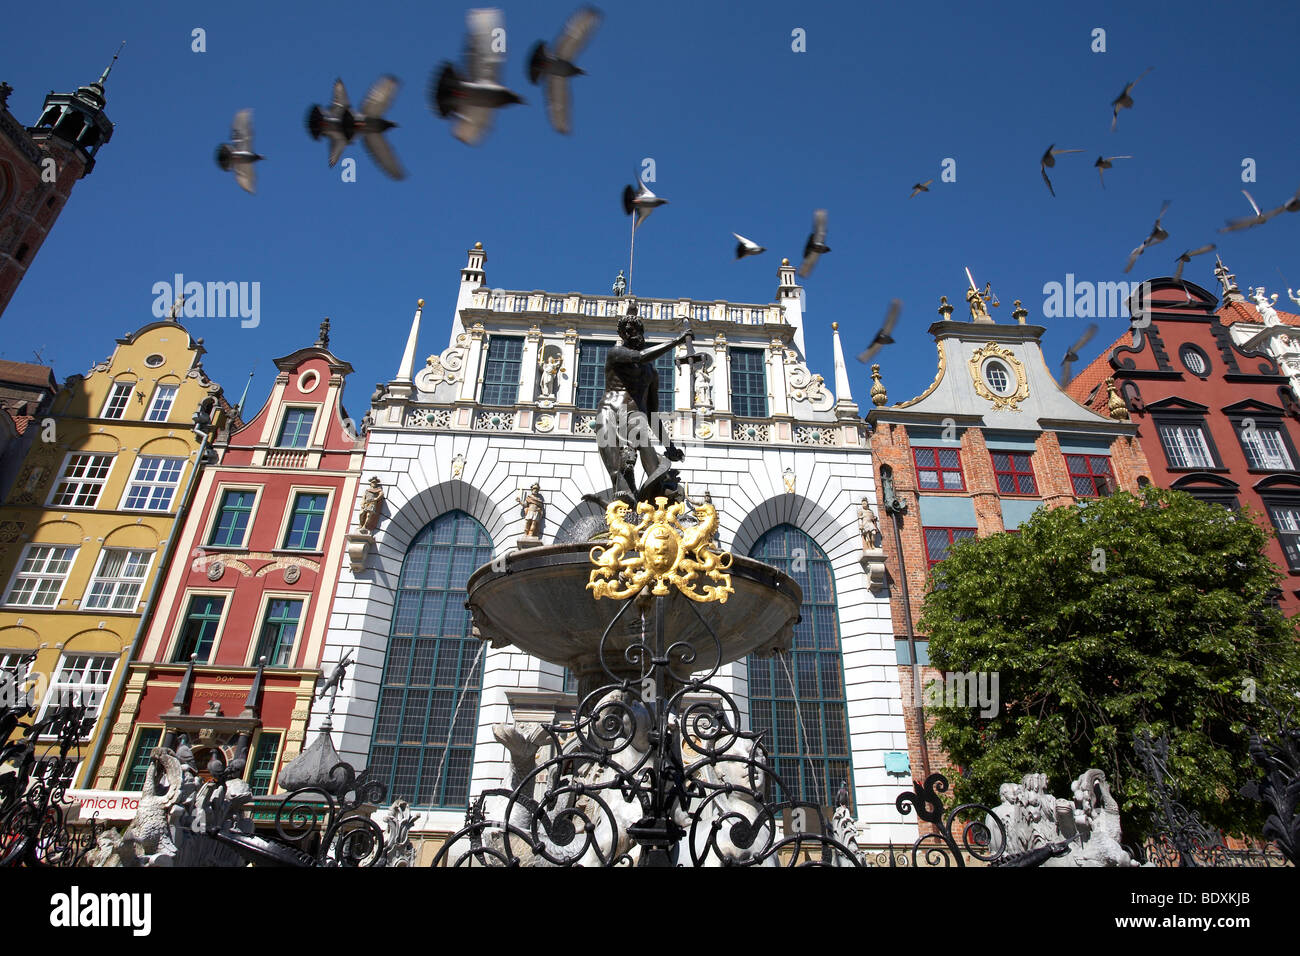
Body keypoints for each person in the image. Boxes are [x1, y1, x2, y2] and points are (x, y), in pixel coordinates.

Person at [595, 312, 691, 503]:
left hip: (634, 416)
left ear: (641, 331)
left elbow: (653, 414)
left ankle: (656, 509)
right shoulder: (616, 353)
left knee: (654, 467)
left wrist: (669, 445)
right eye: (626, 332)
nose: (631, 334)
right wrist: (676, 343)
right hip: (609, 411)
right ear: (622, 335)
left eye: (634, 330)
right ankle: (624, 509)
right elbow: (639, 357)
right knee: (616, 471)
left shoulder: (651, 373)